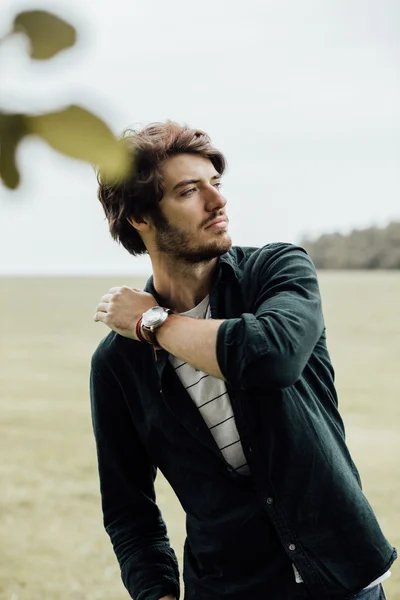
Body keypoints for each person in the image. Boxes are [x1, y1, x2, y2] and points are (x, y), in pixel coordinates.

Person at [90, 121, 396, 600]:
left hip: (345, 576)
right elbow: (130, 511)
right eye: (190, 191)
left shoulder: (277, 270)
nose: (218, 202)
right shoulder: (117, 364)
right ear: (141, 218)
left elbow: (272, 357)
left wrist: (154, 324)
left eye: (217, 184)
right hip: (229, 588)